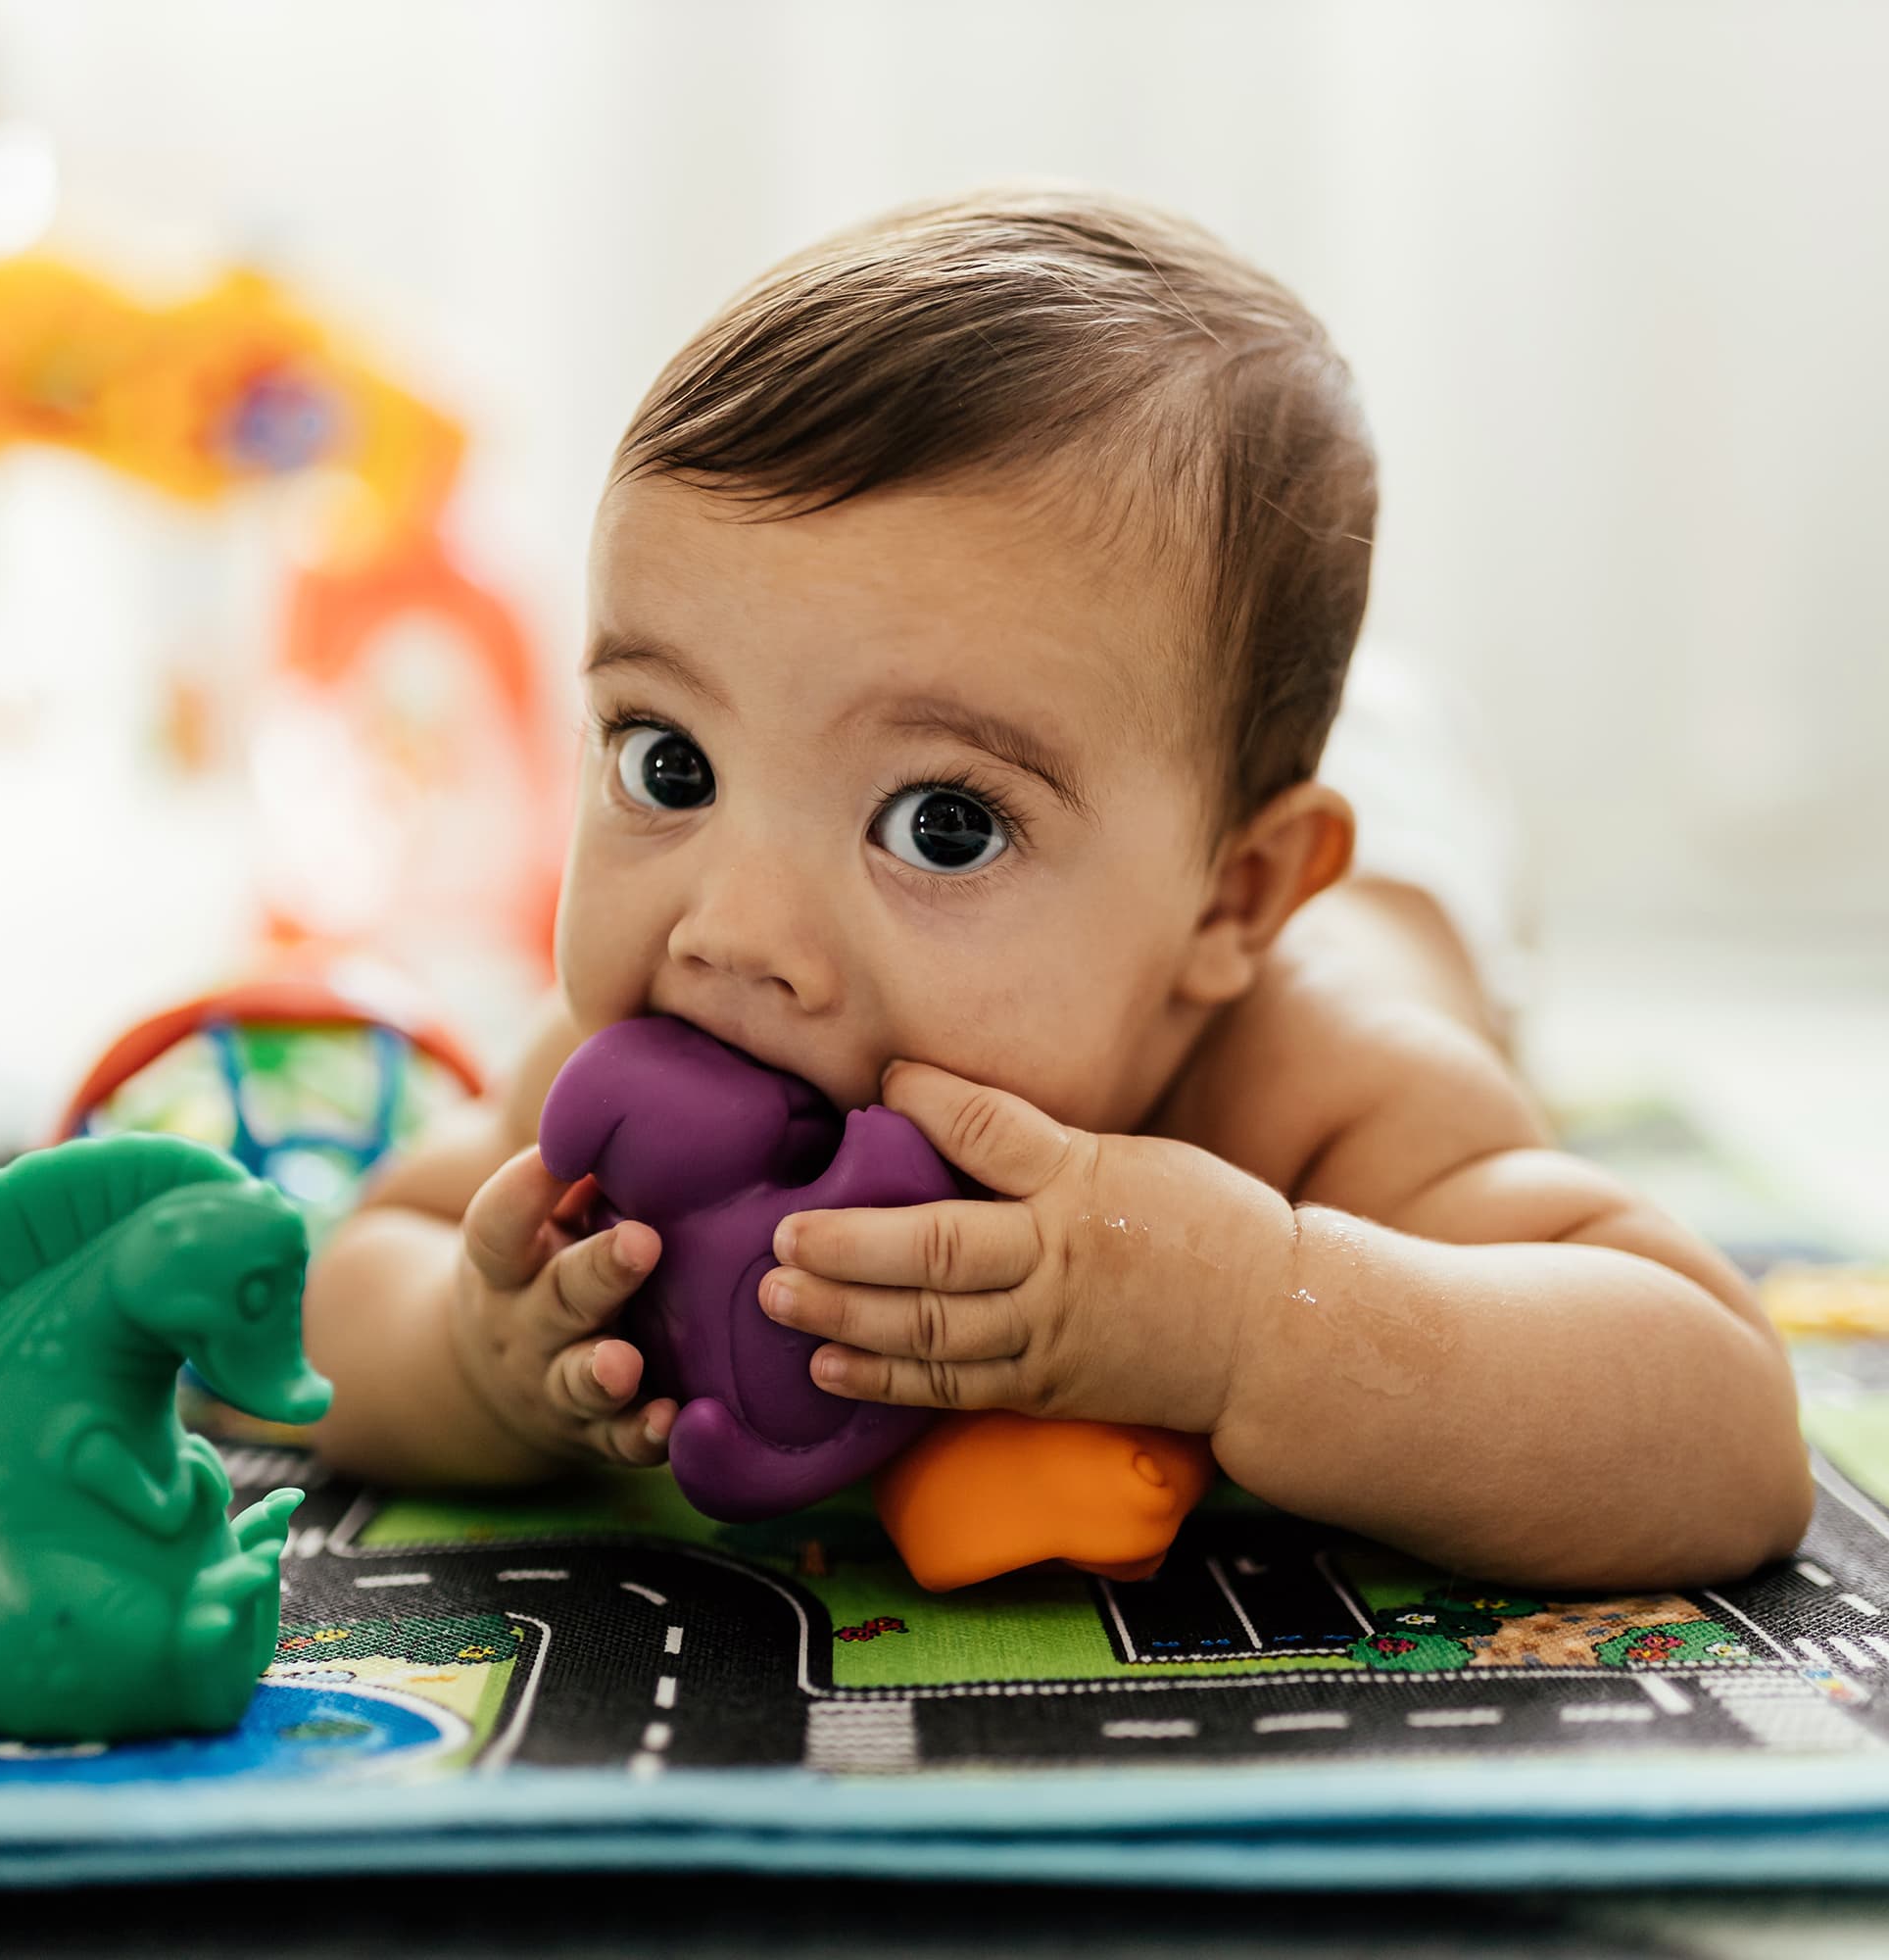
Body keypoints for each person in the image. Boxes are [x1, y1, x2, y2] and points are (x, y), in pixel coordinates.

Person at [303, 188, 1809, 1590]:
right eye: (670, 766)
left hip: (1414, 850)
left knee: (1353, 798)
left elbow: (1723, 1426)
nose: (736, 934)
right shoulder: (638, 1072)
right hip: (1182, 788)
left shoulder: (1318, 1095)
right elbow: (352, 1279)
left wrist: (1251, 1322)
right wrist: (475, 1355)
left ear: (1231, 907)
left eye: (944, 823)